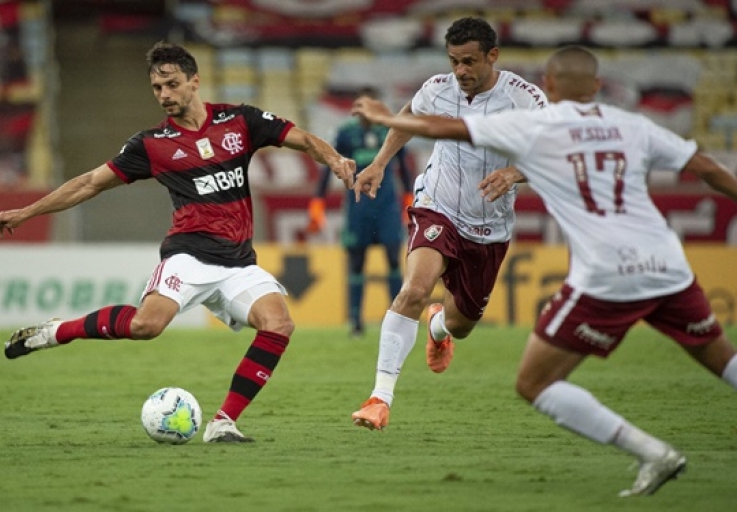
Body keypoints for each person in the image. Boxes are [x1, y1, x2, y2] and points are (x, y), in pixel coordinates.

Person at [352, 45, 737, 497]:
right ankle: (383, 393)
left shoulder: (538, 124)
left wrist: (385, 117)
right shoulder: (634, 127)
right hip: (668, 265)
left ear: (548, 87)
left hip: (607, 275)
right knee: (723, 359)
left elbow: (446, 127)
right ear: (598, 86)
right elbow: (708, 169)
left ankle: (654, 453)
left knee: (533, 382)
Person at [0, 42, 355, 443]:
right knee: (146, 326)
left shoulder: (240, 121)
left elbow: (303, 140)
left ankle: (222, 422)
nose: (164, 95)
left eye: (172, 84)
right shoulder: (151, 144)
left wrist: (335, 159)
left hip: (239, 262)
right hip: (189, 256)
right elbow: (90, 183)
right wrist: (27, 212)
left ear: (194, 82)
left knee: (279, 324)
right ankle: (58, 331)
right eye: (157, 88)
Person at [348, 17, 547, 431]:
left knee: (462, 324)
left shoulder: (524, 99)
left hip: (489, 226)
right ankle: (379, 398)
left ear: (492, 56)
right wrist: (380, 163)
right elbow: (408, 115)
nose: (461, 71)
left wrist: (515, 174)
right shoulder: (439, 89)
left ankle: (438, 328)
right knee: (414, 289)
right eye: (454, 61)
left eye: (470, 61)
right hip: (437, 206)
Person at [306, 86, 416, 338]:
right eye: (359, 105)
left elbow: (405, 170)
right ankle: (356, 321)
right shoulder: (345, 134)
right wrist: (317, 204)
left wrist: (410, 204)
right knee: (357, 262)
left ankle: (396, 319)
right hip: (358, 208)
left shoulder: (390, 131)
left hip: (387, 205)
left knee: (392, 260)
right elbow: (327, 168)